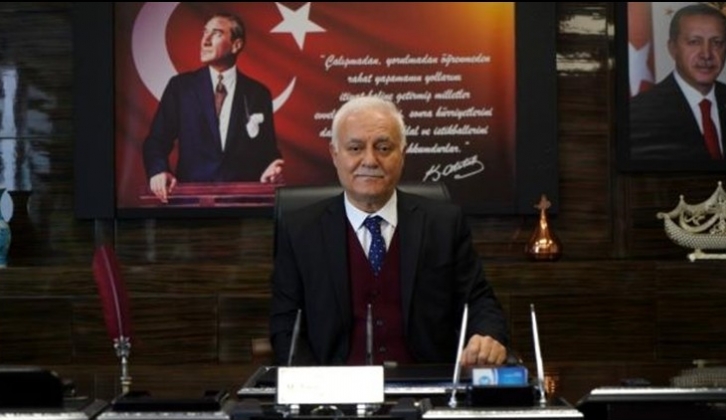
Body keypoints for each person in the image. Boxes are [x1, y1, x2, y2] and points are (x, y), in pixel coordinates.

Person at [269, 96, 509, 367]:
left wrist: (487, 337)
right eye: (355, 148)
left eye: (383, 148)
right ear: (335, 155)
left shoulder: (443, 224)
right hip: (335, 387)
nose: (370, 160)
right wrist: (314, 386)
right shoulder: (300, 231)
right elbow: (285, 325)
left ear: (402, 155)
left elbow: (479, 302)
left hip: (425, 382)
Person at [143, 12, 284, 203]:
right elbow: (156, 141)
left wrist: (273, 167)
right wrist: (158, 170)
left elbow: (268, 152)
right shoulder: (181, 88)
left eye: (216, 33)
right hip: (190, 205)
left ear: (236, 45)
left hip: (243, 205)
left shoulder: (258, 93)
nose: (205, 40)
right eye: (204, 33)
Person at [629, 4, 726, 161]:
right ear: (673, 48)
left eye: (717, 42)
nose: (706, 54)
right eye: (694, 42)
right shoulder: (640, 113)